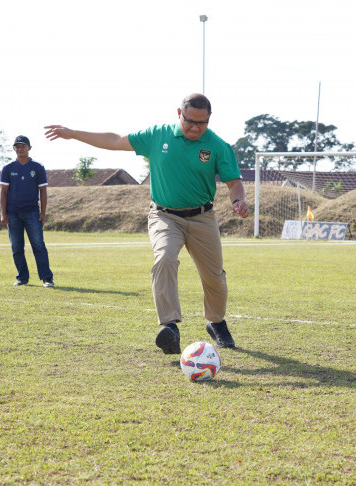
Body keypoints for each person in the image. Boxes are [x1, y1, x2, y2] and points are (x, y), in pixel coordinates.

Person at [44, 93, 249, 354]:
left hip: (202, 217)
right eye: (190, 121)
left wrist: (238, 201)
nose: (196, 127)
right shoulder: (157, 136)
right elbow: (115, 140)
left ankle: (216, 322)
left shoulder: (218, 145)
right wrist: (73, 133)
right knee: (164, 259)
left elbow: (234, 183)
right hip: (164, 215)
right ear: (179, 113)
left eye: (203, 122)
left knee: (214, 277)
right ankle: (170, 327)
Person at [0, 135, 55, 288]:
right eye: (17, 146)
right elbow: (3, 192)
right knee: (17, 247)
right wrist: (3, 213)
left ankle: (47, 278)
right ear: (14, 149)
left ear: (29, 148)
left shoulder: (38, 168)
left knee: (38, 245)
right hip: (13, 213)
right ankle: (22, 278)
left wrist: (43, 213)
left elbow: (43, 191)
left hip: (32, 212)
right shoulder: (8, 168)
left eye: (23, 146)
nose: (20, 148)